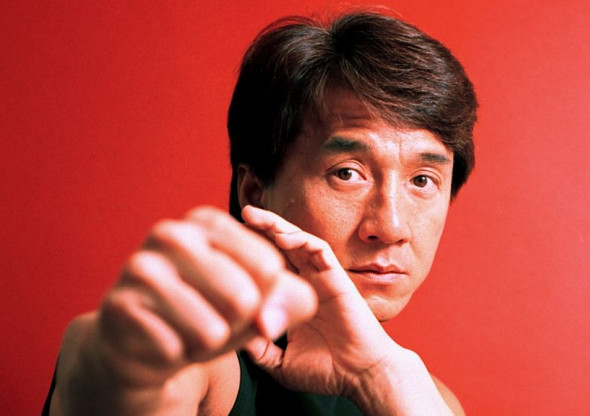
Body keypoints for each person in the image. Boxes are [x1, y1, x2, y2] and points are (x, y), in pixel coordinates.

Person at [44, 10, 477, 415]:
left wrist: (382, 376)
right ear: (255, 192)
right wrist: (122, 360)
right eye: (347, 173)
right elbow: (124, 382)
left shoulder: (425, 396)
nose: (391, 226)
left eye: (422, 181)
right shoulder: (208, 360)